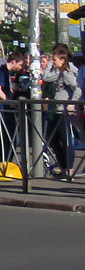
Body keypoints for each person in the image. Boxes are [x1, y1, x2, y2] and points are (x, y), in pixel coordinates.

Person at [41, 44, 81, 176]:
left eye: (55, 60)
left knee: (65, 140)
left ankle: (69, 169)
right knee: (54, 140)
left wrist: (71, 103)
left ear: (62, 60)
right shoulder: (60, 73)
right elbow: (56, 87)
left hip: (62, 111)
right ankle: (63, 168)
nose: (53, 62)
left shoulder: (66, 73)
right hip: (56, 110)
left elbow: (77, 88)